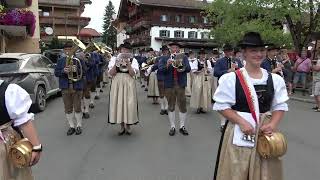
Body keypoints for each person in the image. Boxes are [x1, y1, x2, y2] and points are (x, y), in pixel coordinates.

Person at [212, 32, 289, 180]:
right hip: (239, 130)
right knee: (238, 170)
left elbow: (280, 105)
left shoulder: (275, 79)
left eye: (261, 50)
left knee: (265, 172)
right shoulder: (231, 78)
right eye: (254, 51)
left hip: (264, 134)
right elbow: (221, 106)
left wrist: (272, 124)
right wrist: (241, 122)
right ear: (244, 53)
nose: (259, 54)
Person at [0, 80, 42, 180]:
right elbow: (23, 121)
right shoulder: (7, 90)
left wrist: (36, 147)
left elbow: (23, 120)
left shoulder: (7, 91)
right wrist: (36, 147)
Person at [158, 42, 191, 136]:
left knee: (182, 105)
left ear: (179, 49)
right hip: (169, 84)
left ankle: (182, 126)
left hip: (180, 83)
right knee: (171, 105)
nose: (175, 49)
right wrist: (167, 65)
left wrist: (182, 67)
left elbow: (188, 68)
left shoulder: (184, 57)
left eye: (176, 48)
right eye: (173, 48)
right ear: (170, 49)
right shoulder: (164, 58)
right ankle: (172, 126)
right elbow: (160, 70)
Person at [108, 42, 139, 135]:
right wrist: (116, 63)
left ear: (129, 51)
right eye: (123, 50)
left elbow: (132, 74)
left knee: (129, 103)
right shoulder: (114, 59)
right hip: (117, 82)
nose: (125, 51)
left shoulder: (133, 60)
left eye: (127, 50)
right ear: (120, 50)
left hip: (129, 82)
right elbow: (111, 73)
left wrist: (129, 63)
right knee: (119, 103)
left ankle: (128, 125)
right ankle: (121, 126)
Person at [55, 42, 86, 135]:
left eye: (70, 49)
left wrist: (77, 70)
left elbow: (84, 72)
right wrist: (63, 71)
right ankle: (71, 126)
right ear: (64, 51)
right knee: (68, 108)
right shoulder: (61, 61)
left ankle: (79, 125)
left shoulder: (78, 60)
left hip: (76, 86)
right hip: (65, 87)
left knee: (77, 107)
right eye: (66, 50)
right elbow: (56, 73)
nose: (68, 51)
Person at [214, 44, 243, 131]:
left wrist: (238, 68)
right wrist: (227, 71)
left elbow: (243, 71)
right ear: (225, 52)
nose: (229, 53)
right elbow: (216, 73)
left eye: (231, 51)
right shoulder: (220, 61)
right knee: (223, 104)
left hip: (235, 84)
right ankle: (223, 123)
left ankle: (233, 121)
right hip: (224, 85)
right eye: (227, 51)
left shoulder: (237, 60)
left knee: (234, 103)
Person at [190, 48, 213, 113]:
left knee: (205, 93)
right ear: (199, 55)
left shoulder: (207, 61)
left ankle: (203, 107)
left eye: (204, 54)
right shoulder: (196, 61)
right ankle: (198, 107)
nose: (203, 56)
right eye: (202, 54)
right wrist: (200, 71)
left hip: (205, 78)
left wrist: (207, 70)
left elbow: (210, 71)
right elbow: (193, 71)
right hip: (198, 78)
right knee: (198, 92)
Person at [152, 45, 169, 115]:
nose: (165, 52)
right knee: (161, 93)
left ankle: (166, 108)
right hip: (160, 77)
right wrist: (157, 64)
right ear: (162, 51)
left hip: (168, 77)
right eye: (164, 50)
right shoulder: (158, 58)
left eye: (166, 50)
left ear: (168, 51)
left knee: (167, 94)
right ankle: (162, 108)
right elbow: (154, 67)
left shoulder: (170, 58)